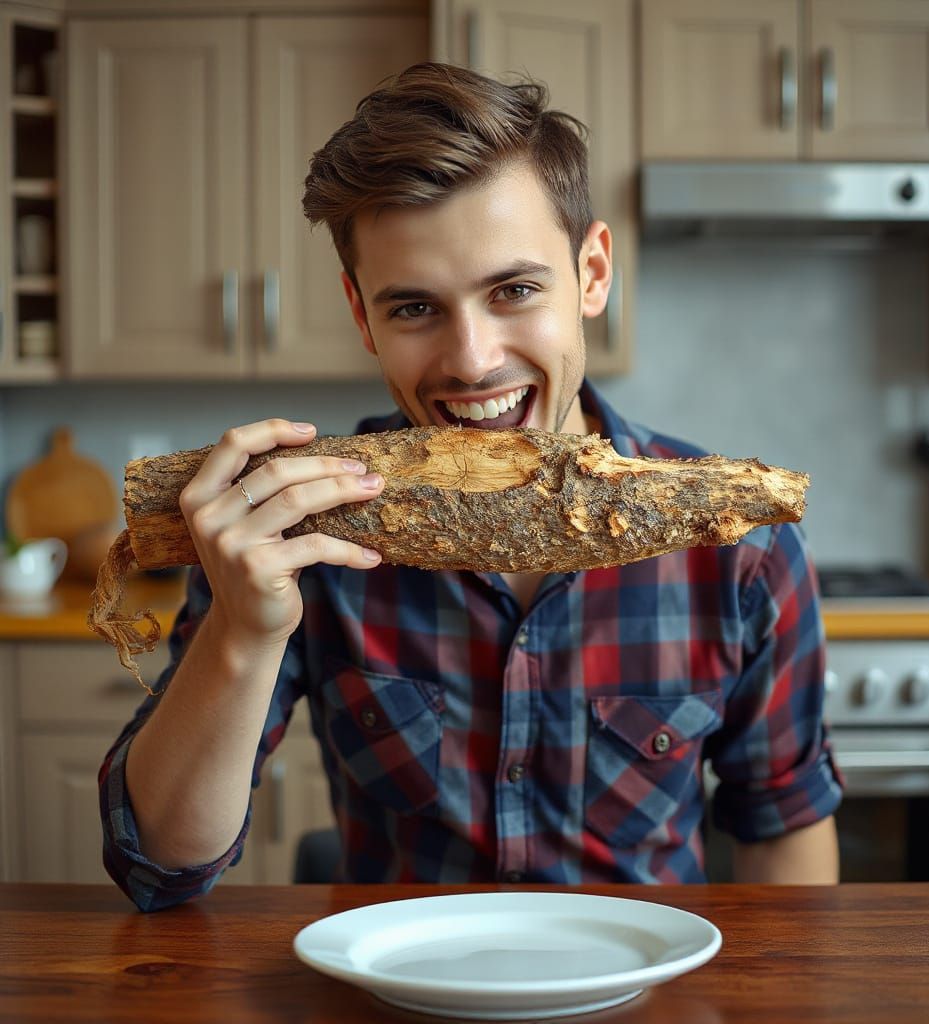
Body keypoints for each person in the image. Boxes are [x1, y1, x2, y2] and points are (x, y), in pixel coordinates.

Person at [99, 62, 842, 911]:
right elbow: (158, 867)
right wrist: (240, 631)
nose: (473, 360)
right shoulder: (292, 537)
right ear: (360, 313)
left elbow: (782, 832)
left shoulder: (741, 547)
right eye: (414, 308)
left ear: (592, 273)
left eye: (515, 290)